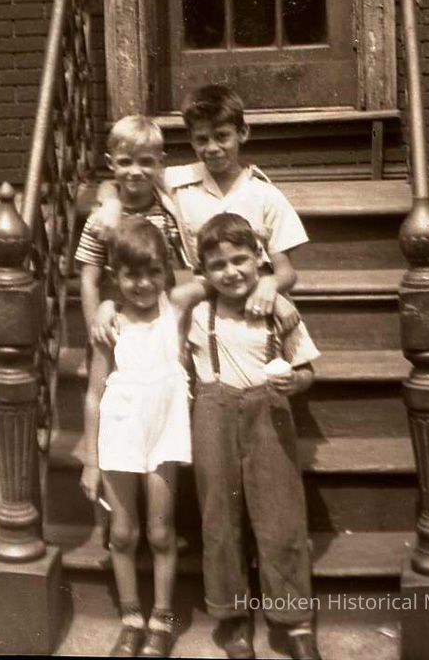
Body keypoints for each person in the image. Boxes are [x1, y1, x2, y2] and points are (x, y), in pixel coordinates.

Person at [187, 212, 321, 660]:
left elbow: (307, 371)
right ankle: (232, 618)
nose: (231, 272)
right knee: (219, 520)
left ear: (259, 258)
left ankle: (294, 622)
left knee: (281, 516)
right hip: (213, 414)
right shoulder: (199, 313)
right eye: (218, 265)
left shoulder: (279, 313)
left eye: (240, 260)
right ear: (203, 272)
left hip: (269, 413)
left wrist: (295, 383)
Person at [91, 85, 305, 342]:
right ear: (191, 140)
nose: (212, 147)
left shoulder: (265, 195)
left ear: (243, 133)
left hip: (249, 291)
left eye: (222, 136)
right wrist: (111, 204)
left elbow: (287, 273)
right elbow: (121, 180)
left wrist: (269, 285)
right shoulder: (178, 180)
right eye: (202, 139)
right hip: (201, 293)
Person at [79, 218, 193, 658]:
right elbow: (93, 396)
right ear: (115, 276)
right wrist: (90, 460)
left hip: (163, 430)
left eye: (152, 273)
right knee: (123, 533)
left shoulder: (175, 308)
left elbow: (213, 280)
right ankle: (131, 619)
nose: (143, 284)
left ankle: (162, 619)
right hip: (120, 433)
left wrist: (274, 300)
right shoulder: (110, 327)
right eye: (131, 275)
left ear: (165, 271)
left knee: (161, 533)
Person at [76, 114, 189, 340]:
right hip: (116, 318)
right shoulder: (102, 219)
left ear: (160, 161)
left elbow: (177, 272)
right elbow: (89, 280)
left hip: (158, 319)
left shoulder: (168, 213)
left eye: (146, 162)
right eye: (125, 162)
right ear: (110, 163)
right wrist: (94, 329)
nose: (135, 171)